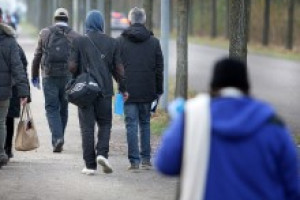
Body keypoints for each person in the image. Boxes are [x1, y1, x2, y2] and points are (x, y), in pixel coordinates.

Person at [155, 58, 300, 200]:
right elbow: (293, 186)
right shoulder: (272, 124)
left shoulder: (193, 117)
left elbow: (165, 164)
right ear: (247, 87)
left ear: (212, 87)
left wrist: (176, 125)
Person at [68, 11, 128, 175]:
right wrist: (123, 88)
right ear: (101, 23)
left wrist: (76, 75)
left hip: (86, 91)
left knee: (87, 128)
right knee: (105, 124)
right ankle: (102, 153)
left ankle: (89, 165)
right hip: (104, 91)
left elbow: (72, 67)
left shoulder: (79, 41)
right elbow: (119, 70)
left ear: (87, 23)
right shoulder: (112, 43)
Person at [117, 7, 164, 170]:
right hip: (147, 90)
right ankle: (146, 159)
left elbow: (117, 68)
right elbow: (159, 68)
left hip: (127, 91)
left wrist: (120, 89)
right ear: (144, 21)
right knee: (145, 123)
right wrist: (159, 90)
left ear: (129, 21)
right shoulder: (154, 42)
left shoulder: (120, 41)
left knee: (130, 124)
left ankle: (134, 161)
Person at [31, 8, 80, 153]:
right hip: (67, 76)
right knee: (63, 108)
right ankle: (60, 138)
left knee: (52, 108)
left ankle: (57, 138)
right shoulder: (75, 35)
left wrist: (34, 75)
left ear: (54, 19)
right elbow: (78, 59)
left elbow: (37, 55)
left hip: (49, 75)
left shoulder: (45, 33)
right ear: (67, 19)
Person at [0, 7, 29, 168]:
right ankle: (0, 154)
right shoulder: (10, 41)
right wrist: (23, 92)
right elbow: (18, 67)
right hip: (4, 92)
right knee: (1, 123)